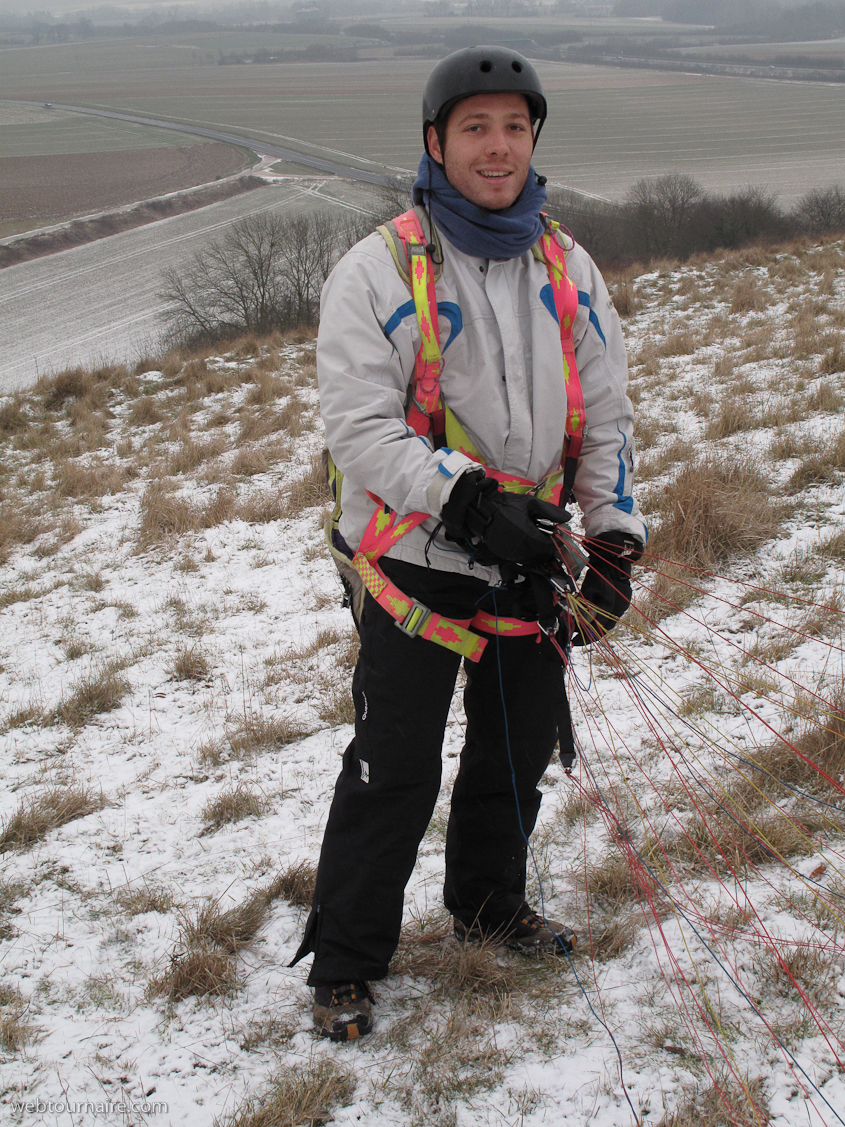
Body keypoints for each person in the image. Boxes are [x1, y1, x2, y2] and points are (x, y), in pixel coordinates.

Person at [290, 46, 647, 1041]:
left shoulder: (565, 265)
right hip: (410, 560)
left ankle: (488, 908)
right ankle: (346, 957)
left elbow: (605, 415)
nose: (497, 147)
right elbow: (358, 426)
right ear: (435, 142)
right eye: (475, 128)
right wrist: (460, 499)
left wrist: (610, 541)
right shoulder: (377, 268)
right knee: (392, 761)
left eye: (514, 127)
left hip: (527, 557)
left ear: (533, 140)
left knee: (514, 748)